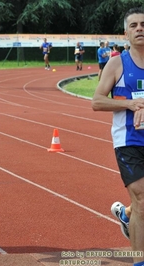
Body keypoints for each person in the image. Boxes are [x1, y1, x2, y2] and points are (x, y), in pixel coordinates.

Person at [92, 7, 144, 266]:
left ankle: (126, 214)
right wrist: (130, 104)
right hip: (129, 141)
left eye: (143, 24)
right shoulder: (117, 63)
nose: (139, 29)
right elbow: (97, 101)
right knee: (142, 198)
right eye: (133, 25)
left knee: (141, 202)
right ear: (126, 32)